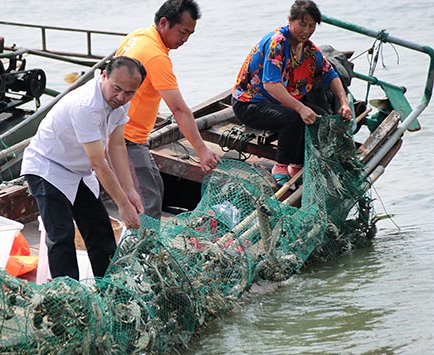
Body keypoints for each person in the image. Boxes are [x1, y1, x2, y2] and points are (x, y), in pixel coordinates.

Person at [21, 56, 145, 281]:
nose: (121, 97)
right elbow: (99, 162)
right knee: (61, 234)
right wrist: (123, 206)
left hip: (78, 170)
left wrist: (129, 191)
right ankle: (70, 298)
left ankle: (111, 290)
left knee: (100, 229)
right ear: (104, 76)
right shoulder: (86, 105)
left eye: (129, 92)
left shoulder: (121, 100)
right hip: (48, 166)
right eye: (117, 89)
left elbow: (116, 146)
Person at [115, 0, 220, 220]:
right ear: (164, 23)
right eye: (182, 32)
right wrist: (202, 150)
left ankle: (140, 245)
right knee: (147, 202)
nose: (185, 40)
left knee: (154, 186)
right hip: (126, 138)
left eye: (190, 34)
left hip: (122, 132)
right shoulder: (156, 56)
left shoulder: (138, 36)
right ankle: (139, 251)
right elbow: (179, 110)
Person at [231, 0, 353, 185]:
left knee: (320, 117)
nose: (306, 30)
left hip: (278, 101)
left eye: (311, 26)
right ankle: (281, 165)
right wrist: (300, 108)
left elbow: (331, 74)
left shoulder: (309, 49)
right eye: (302, 24)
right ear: (290, 20)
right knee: (295, 117)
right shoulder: (277, 43)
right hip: (249, 103)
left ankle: (297, 165)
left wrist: (343, 102)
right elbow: (271, 85)